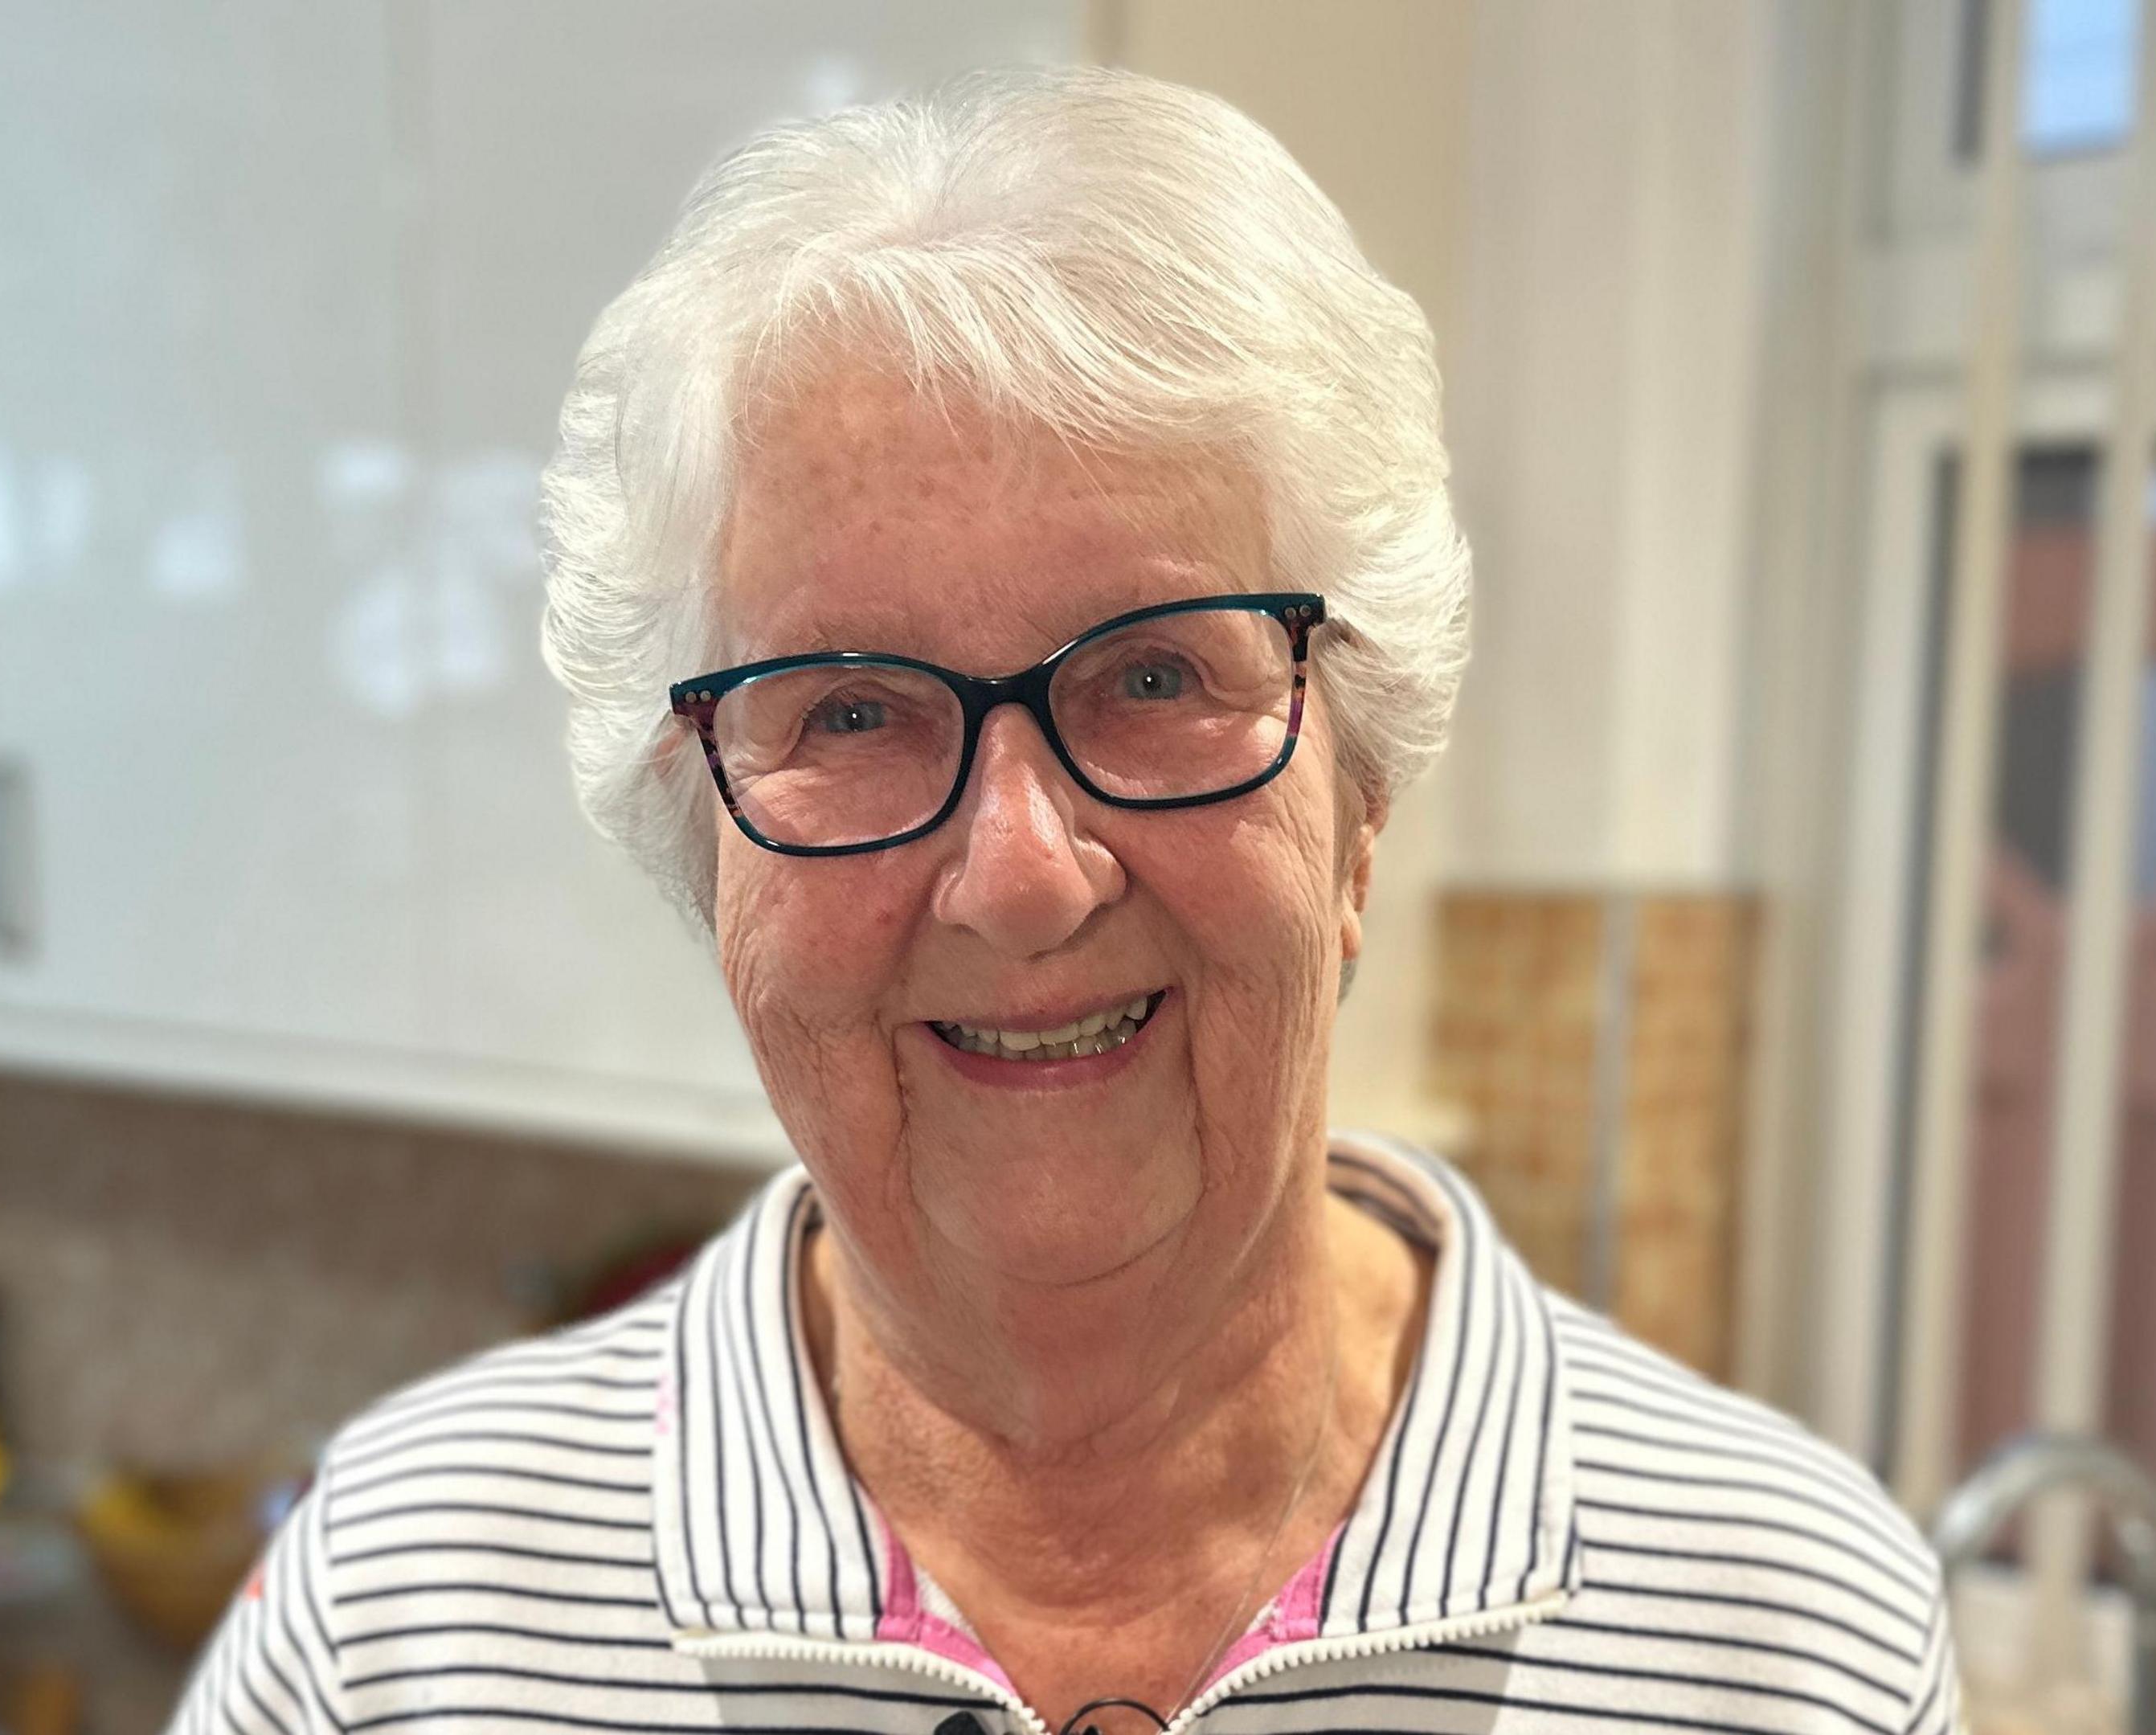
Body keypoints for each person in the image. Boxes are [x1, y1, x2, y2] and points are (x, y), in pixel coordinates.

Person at [165, 63, 1958, 1735]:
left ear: (1363, 801)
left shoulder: (1789, 1640)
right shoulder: (395, 1621)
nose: (1024, 874)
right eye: (850, 711)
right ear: (697, 839)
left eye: (1159, 677)